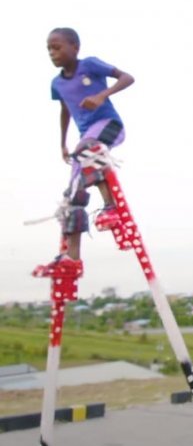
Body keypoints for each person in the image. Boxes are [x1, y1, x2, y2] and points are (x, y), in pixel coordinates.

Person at [33, 28, 135, 277]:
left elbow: (127, 77)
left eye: (57, 47)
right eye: (49, 49)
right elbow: (65, 110)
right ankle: (71, 258)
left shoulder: (89, 65)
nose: (52, 53)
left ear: (75, 47)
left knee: (88, 149)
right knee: (72, 195)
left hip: (109, 126)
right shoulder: (57, 84)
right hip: (83, 140)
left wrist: (102, 95)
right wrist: (62, 143)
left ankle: (111, 208)